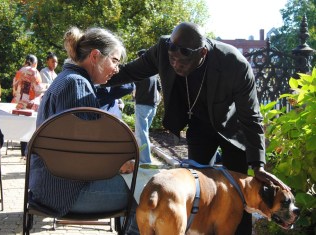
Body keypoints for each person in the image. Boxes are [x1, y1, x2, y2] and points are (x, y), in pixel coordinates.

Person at [107, 22, 290, 235]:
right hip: (199, 127)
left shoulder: (234, 64)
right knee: (197, 193)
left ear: (202, 52)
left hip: (232, 129)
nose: (175, 64)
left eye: (183, 60)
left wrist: (258, 165)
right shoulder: (163, 49)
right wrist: (97, 78)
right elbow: (132, 71)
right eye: (172, 58)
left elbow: (251, 117)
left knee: (240, 196)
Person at [29, 26, 139, 234]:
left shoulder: (68, 79)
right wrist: (119, 164)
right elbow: (84, 159)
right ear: (95, 56)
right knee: (146, 191)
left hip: (50, 185)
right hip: (64, 192)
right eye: (115, 61)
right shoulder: (77, 86)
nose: (117, 69)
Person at [11, 54, 44, 156]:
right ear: (35, 63)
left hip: (17, 105)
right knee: (30, 129)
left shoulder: (19, 71)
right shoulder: (34, 72)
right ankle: (28, 153)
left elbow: (14, 90)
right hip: (30, 106)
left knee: (22, 128)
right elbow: (39, 90)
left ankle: (23, 152)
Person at [134, 49, 161, 163]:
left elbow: (130, 85)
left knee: (141, 133)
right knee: (144, 133)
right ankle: (141, 155)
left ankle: (145, 160)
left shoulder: (140, 71)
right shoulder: (154, 72)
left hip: (142, 104)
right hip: (153, 105)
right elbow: (159, 88)